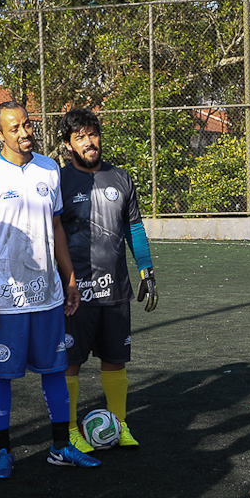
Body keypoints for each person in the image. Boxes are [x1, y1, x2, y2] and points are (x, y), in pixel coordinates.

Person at [0, 101, 98, 475]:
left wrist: (68, 278)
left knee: (56, 368)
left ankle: (60, 446)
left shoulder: (48, 168)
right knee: (1, 375)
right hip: (5, 298)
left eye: (27, 125)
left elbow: (56, 230)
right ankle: (3, 451)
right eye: (14, 128)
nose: (24, 133)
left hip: (48, 294)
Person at [57, 107, 157, 452]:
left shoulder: (121, 178)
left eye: (92, 134)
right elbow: (52, 234)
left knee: (116, 359)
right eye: (80, 137)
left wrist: (146, 267)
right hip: (76, 292)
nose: (89, 142)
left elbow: (134, 227)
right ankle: (69, 430)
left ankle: (120, 424)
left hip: (115, 287)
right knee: (71, 362)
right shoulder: (60, 181)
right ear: (69, 145)